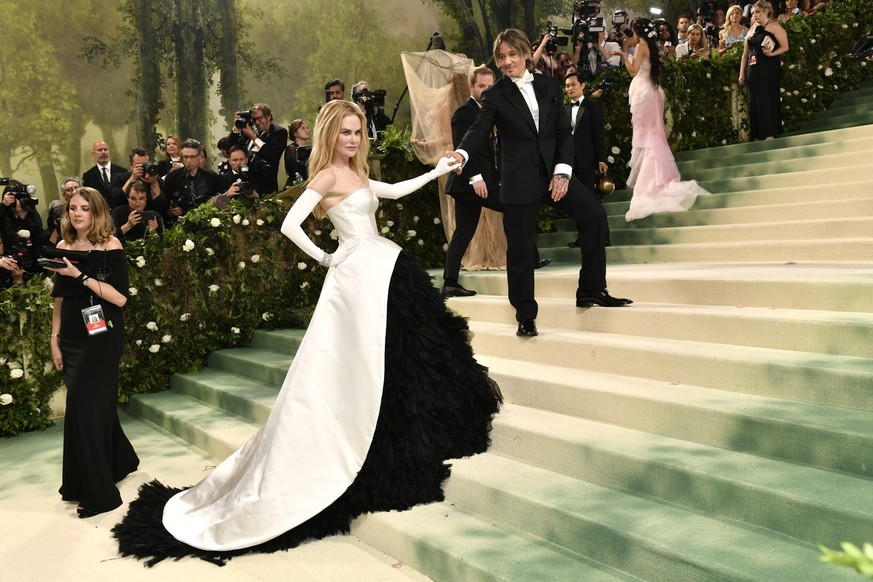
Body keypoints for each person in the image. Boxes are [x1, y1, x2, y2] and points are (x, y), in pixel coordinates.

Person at [112, 99, 501, 564]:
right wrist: (327, 257)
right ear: (330, 136)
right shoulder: (328, 177)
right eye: (346, 133)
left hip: (384, 267)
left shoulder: (355, 174)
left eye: (358, 132)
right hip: (356, 274)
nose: (354, 139)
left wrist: (440, 168)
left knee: (401, 355)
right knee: (360, 360)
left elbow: (394, 192)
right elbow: (290, 222)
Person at [449, 29, 632, 339]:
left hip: (554, 174)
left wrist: (562, 172)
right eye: (501, 57)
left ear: (524, 54)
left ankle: (591, 289)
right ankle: (525, 314)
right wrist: (463, 153)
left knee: (594, 215)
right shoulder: (495, 95)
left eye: (512, 55)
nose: (507, 62)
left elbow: (563, 133)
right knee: (519, 251)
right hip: (519, 180)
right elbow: (479, 129)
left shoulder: (548, 86)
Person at [46, 187, 139, 518]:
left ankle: (101, 495)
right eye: (72, 208)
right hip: (70, 335)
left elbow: (120, 298)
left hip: (100, 336)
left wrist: (80, 275)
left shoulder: (111, 245)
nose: (77, 213)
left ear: (97, 212)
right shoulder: (62, 246)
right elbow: (58, 297)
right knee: (94, 406)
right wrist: (54, 337)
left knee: (82, 409)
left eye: (84, 208)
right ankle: (121, 460)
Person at [616, 18, 711, 222]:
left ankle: (652, 182)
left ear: (637, 32)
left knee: (648, 136)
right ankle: (656, 177)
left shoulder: (641, 46)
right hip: (654, 92)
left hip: (643, 92)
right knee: (654, 134)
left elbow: (633, 71)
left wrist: (624, 55)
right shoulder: (653, 46)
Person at [441, 65, 504, 298]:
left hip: (477, 182)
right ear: (471, 87)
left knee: (464, 232)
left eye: (490, 86)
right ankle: (529, 258)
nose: (486, 91)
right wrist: (477, 178)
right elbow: (463, 148)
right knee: (513, 206)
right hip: (469, 182)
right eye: (481, 86)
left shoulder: (487, 110)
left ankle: (449, 282)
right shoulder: (464, 112)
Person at [565, 72, 610, 248]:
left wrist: (602, 159)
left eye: (573, 84)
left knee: (591, 200)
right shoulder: (564, 110)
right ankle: (582, 238)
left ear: (582, 85)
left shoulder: (592, 107)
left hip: (587, 160)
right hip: (569, 163)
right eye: (567, 85)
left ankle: (603, 236)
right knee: (575, 201)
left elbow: (598, 135)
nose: (570, 88)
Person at [740, 0, 790, 141]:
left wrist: (772, 54)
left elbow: (785, 46)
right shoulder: (751, 30)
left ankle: (769, 133)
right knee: (754, 101)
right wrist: (741, 73)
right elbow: (745, 54)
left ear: (766, 11)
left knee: (767, 99)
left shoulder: (774, 27)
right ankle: (757, 134)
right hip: (753, 70)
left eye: (758, 12)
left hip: (768, 68)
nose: (755, 15)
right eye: (753, 13)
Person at [226, 103, 288, 195]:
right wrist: (236, 129)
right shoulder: (249, 131)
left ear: (269, 116)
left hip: (265, 185)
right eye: (254, 119)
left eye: (260, 118)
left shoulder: (279, 132)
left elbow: (272, 156)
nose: (257, 123)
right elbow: (231, 150)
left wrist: (253, 137)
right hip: (246, 182)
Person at [163, 139, 225, 225]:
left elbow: (218, 201)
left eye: (192, 157)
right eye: (185, 157)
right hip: (180, 225)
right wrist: (171, 211)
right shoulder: (172, 177)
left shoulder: (212, 177)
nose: (188, 161)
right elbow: (165, 204)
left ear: (200, 157)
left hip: (207, 224)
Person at [82, 141, 126, 206]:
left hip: (120, 211)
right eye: (99, 150)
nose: (103, 152)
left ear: (109, 152)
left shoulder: (122, 171)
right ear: (93, 154)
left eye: (105, 149)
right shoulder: (88, 176)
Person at [283, 119, 311, 188]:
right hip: (295, 186)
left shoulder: (308, 150)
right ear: (295, 133)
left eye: (307, 128)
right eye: (303, 128)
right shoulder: (291, 149)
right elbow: (294, 171)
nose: (307, 130)